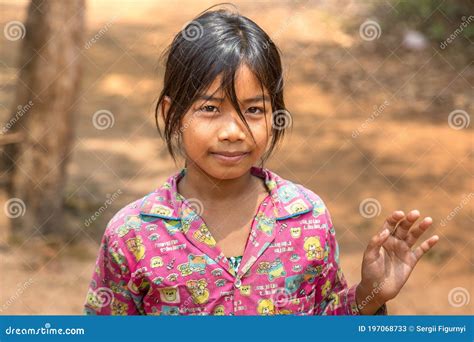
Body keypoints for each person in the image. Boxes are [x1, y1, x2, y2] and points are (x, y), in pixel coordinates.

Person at [84, 6, 439, 316]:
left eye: (254, 110)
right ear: (173, 113)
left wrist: (367, 295)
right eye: (210, 109)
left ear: (276, 117)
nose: (234, 131)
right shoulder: (133, 233)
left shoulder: (306, 217)